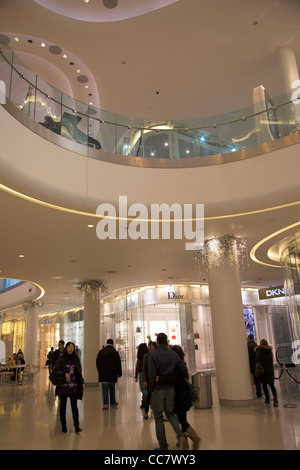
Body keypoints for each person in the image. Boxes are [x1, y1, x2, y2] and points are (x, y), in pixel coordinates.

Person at [149, 332, 189, 450]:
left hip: (158, 389)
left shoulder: (154, 356)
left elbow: (152, 375)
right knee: (170, 414)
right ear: (167, 342)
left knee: (158, 418)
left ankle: (163, 445)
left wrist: (151, 388)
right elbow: (183, 367)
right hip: (170, 388)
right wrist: (186, 378)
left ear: (157, 342)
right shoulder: (173, 354)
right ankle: (181, 437)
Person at [170, 345, 200, 450]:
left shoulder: (174, 366)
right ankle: (184, 442)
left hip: (178, 395)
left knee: (181, 420)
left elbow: (173, 380)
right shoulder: (182, 364)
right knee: (183, 417)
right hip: (184, 394)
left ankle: (194, 437)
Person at [55, 341, 84, 433]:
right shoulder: (61, 358)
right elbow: (56, 370)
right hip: (63, 386)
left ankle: (76, 425)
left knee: (74, 406)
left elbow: (79, 372)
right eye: (69, 347)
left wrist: (82, 383)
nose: (71, 348)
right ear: (66, 348)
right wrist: (64, 374)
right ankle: (63, 424)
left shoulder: (76, 358)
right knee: (62, 407)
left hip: (73, 386)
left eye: (72, 346)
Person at [96, 339, 122, 410]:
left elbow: (97, 363)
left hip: (103, 374)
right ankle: (113, 403)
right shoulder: (114, 352)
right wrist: (119, 372)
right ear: (112, 343)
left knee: (104, 389)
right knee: (112, 388)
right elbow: (118, 363)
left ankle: (105, 404)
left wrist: (100, 371)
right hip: (112, 374)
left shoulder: (101, 352)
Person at [255, 339, 278, 407]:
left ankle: (267, 399)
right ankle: (275, 399)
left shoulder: (260, 350)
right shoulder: (269, 351)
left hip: (263, 370)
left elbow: (258, 360)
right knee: (271, 385)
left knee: (264, 385)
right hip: (270, 370)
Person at [142, 341, 157, 419]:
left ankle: (158, 412)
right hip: (149, 379)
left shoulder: (157, 355)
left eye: (152, 346)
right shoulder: (146, 356)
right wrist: (144, 380)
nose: (151, 347)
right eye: (150, 346)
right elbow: (144, 369)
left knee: (157, 395)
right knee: (149, 395)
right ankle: (146, 412)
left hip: (156, 379)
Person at [135, 343, 149, 409]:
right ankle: (147, 401)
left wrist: (136, 375)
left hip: (141, 373)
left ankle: (145, 401)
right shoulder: (149, 356)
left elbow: (138, 366)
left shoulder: (140, 357)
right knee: (147, 388)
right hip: (148, 373)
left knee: (143, 389)